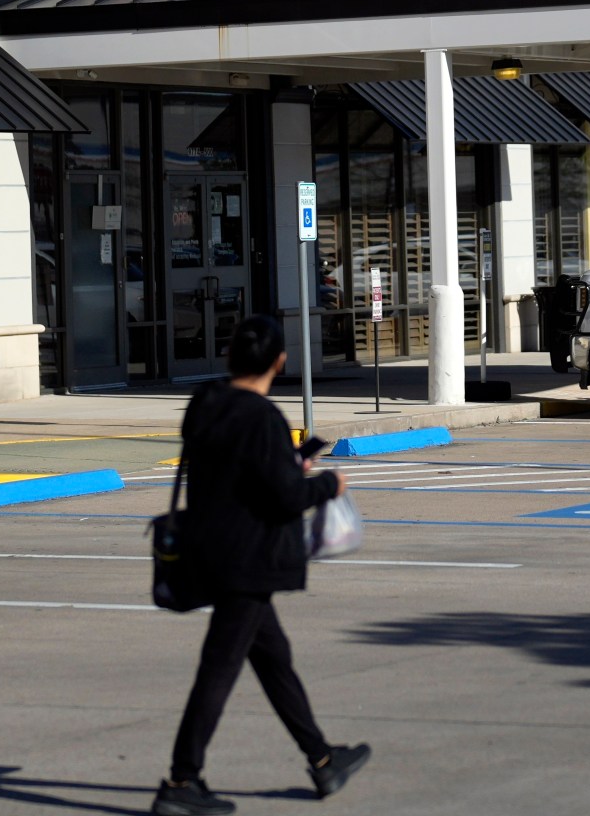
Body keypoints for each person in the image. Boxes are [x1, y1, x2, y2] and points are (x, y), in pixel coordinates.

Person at [153, 317, 371, 816]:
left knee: (273, 657)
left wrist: (285, 466)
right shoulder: (262, 417)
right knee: (219, 668)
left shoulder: (205, 402)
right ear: (279, 362)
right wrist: (327, 485)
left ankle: (322, 758)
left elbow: (241, 473)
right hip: (247, 561)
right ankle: (182, 781)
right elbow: (286, 496)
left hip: (208, 548)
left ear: (231, 357)